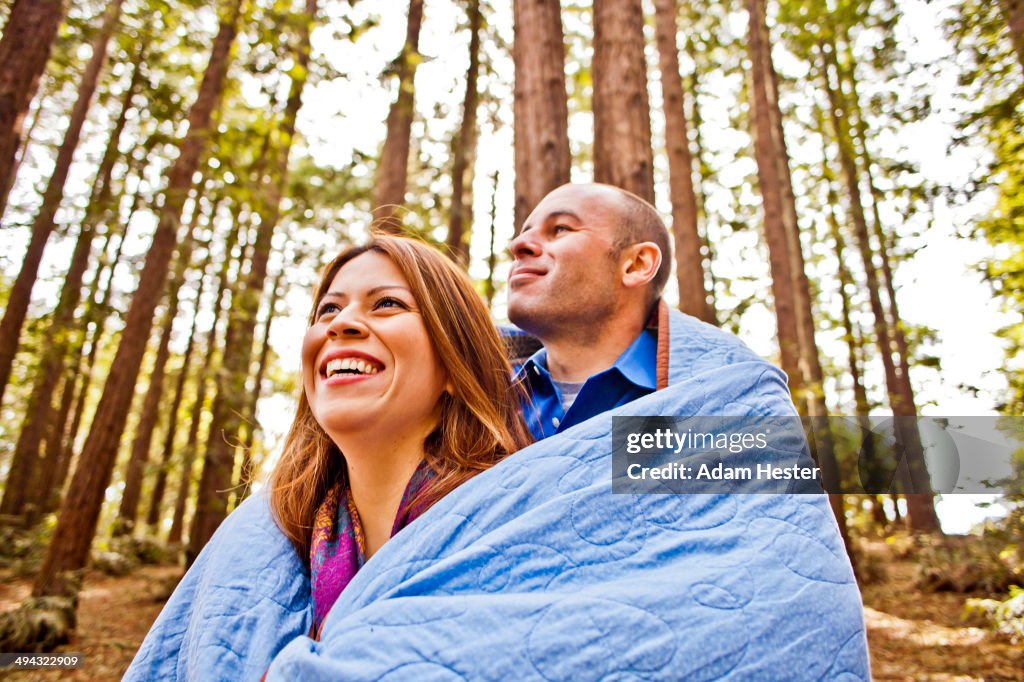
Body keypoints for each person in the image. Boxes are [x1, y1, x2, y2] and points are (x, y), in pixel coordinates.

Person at [126, 236, 532, 679]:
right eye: (328, 310)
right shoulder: (260, 532)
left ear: (455, 366)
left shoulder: (523, 512)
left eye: (387, 304)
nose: (341, 324)